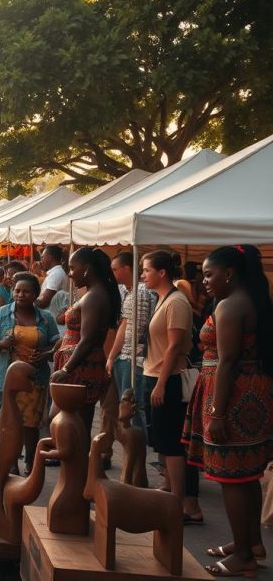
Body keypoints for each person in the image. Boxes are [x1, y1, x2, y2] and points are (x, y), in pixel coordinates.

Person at [183, 245, 273, 577]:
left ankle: (244, 557)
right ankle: (249, 542)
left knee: (232, 478)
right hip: (255, 394)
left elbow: (227, 361)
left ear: (229, 274)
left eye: (209, 274)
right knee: (247, 475)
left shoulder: (230, 306)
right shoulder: (253, 300)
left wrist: (218, 412)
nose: (204, 281)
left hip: (233, 399)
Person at [139, 250, 203, 525]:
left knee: (173, 443)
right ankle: (178, 498)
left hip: (168, 377)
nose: (142, 275)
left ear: (162, 273)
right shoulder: (163, 299)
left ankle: (179, 504)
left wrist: (162, 383)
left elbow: (176, 346)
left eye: (146, 270)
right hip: (155, 374)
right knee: (165, 441)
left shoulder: (176, 302)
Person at [50, 248, 121, 452]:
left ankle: (78, 474)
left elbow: (88, 340)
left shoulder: (94, 297)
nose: (69, 274)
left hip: (81, 368)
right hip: (81, 365)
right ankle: (78, 474)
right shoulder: (93, 294)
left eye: (72, 268)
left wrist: (66, 370)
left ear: (87, 269)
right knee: (76, 424)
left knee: (68, 424)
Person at [0, 273, 60, 475]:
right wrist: (2, 344)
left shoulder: (45, 318)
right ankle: (11, 461)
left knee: (31, 425)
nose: (20, 295)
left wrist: (45, 353)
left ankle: (30, 461)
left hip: (35, 380)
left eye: (26, 291)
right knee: (8, 423)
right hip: (7, 380)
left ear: (36, 294)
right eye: (17, 290)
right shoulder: (2, 314)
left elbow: (57, 344)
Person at [106, 252, 156, 435]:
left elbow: (134, 330)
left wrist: (114, 356)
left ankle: (137, 455)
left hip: (132, 358)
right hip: (126, 356)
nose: (113, 273)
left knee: (131, 409)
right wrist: (112, 356)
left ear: (127, 268)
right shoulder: (130, 291)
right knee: (128, 408)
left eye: (115, 269)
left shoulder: (140, 293)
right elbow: (125, 326)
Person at [36, 245, 66, 311]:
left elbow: (43, 302)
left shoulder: (56, 274)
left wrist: (29, 300)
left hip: (50, 318)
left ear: (49, 258)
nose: (41, 261)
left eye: (42, 257)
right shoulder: (55, 273)